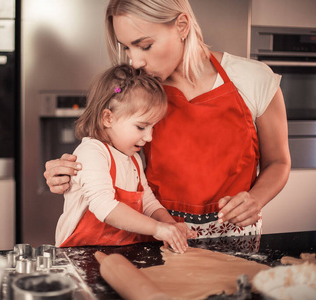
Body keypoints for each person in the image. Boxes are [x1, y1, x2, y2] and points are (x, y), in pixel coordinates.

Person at [46, 0, 290, 240]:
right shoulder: (136, 92)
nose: (135, 61)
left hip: (236, 237)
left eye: (145, 45)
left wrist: (255, 199)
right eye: (127, 48)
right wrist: (69, 173)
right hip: (160, 236)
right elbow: (109, 154)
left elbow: (278, 162)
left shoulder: (254, 80)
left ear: (182, 26)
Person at [56, 64, 196, 252]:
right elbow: (104, 206)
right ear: (108, 118)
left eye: (152, 127)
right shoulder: (92, 152)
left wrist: (170, 225)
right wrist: (157, 229)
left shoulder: (132, 158)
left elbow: (148, 201)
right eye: (141, 127)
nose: (149, 137)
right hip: (78, 253)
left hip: (117, 252)